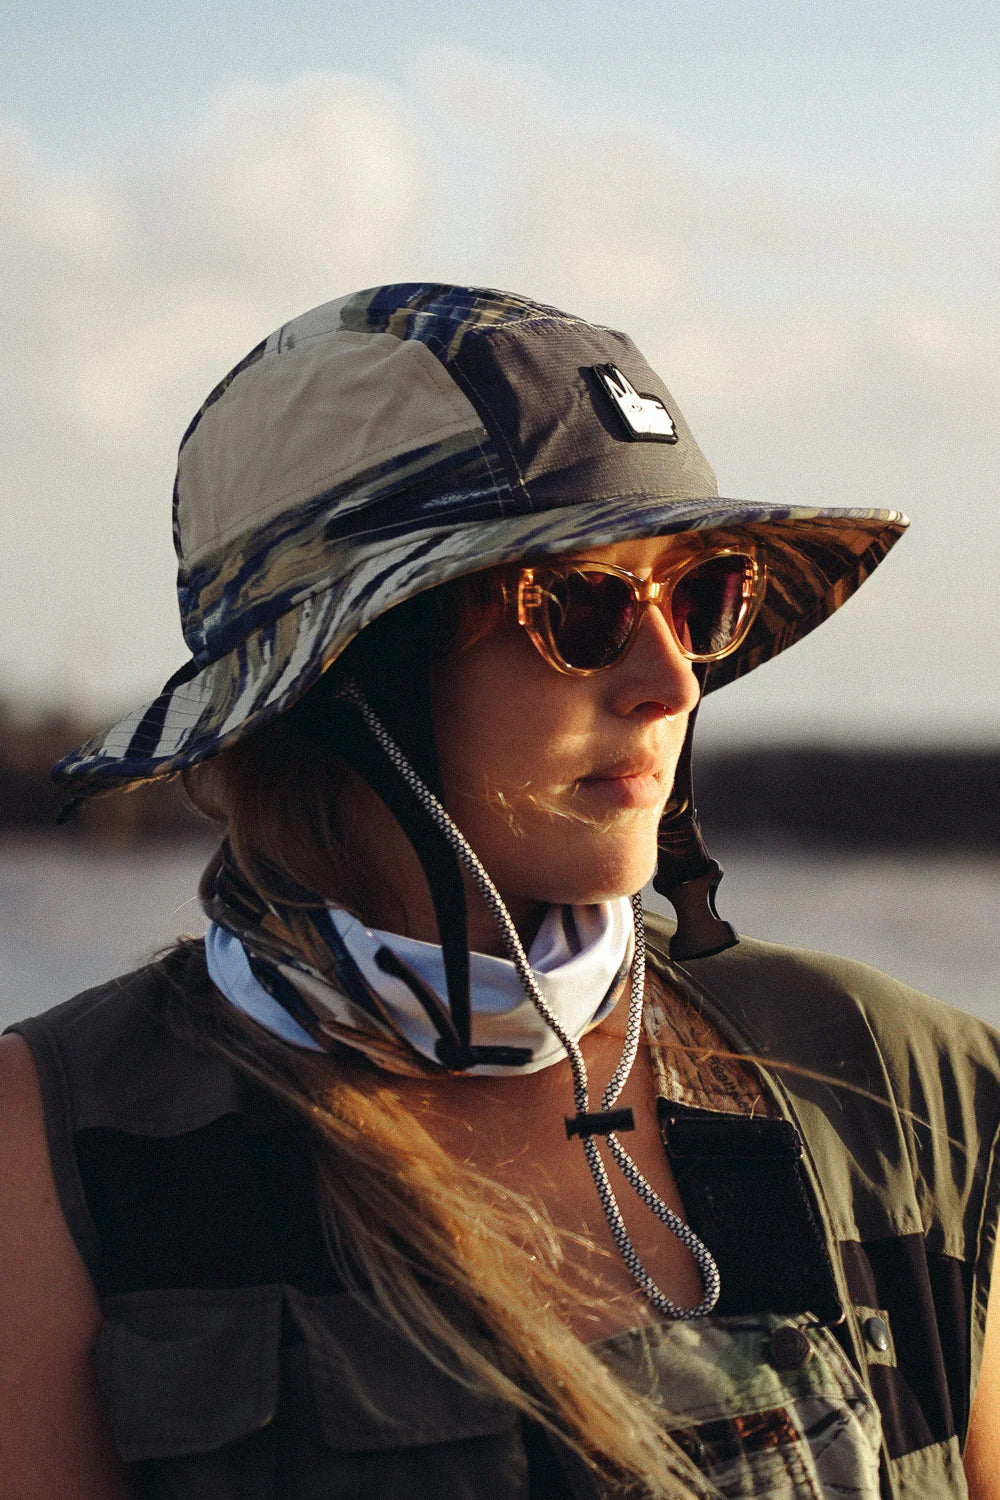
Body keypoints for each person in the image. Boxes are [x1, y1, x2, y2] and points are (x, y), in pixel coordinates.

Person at [1, 283, 997, 1499]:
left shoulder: (905, 1085)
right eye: (578, 607)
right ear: (341, 679)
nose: (670, 681)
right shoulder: (54, 1147)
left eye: (701, 597)